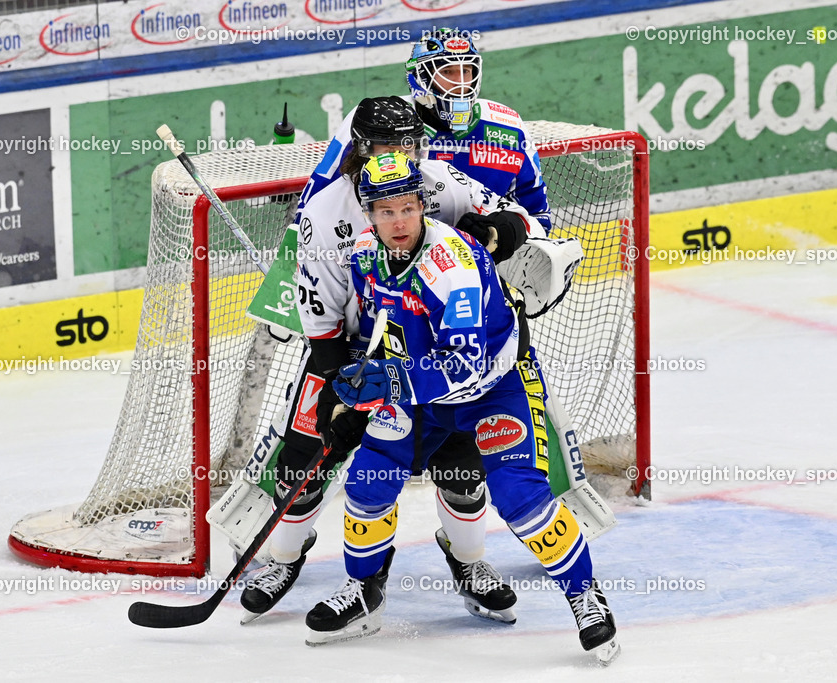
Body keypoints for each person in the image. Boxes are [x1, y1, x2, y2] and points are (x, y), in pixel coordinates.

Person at [304, 152, 619, 666]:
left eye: (407, 207)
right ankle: (363, 592)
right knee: (366, 483)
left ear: (423, 206)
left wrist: (387, 383)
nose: (397, 221)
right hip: (418, 394)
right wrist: (349, 399)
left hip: (492, 387)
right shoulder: (363, 255)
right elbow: (384, 331)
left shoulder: (451, 266)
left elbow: (466, 363)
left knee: (521, 499)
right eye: (385, 211)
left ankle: (585, 597)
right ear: (369, 214)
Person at [239, 96, 540, 624]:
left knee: (462, 466)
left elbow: (521, 220)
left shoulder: (437, 183)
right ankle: (286, 558)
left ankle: (468, 563)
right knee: (304, 458)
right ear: (359, 151)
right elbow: (322, 321)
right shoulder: (324, 214)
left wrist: (500, 229)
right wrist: (342, 389)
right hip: (352, 353)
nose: (402, 154)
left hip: (432, 353)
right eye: (387, 144)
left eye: (410, 143)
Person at [298, 28, 551, 232]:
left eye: (467, 71)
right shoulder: (376, 122)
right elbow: (318, 193)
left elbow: (538, 217)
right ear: (420, 79)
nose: (461, 83)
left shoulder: (507, 126)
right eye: (448, 72)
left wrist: (503, 234)